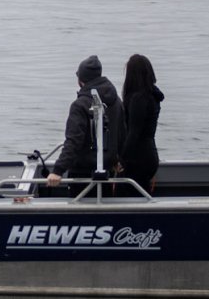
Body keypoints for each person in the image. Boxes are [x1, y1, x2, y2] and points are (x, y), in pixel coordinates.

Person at [46, 55, 123, 189]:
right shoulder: (116, 101)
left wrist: (58, 170)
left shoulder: (80, 105)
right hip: (108, 172)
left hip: (82, 174)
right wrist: (118, 159)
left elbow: (73, 141)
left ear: (81, 80)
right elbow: (122, 133)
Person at [119, 53, 164, 194]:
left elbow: (134, 133)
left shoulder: (138, 99)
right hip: (149, 154)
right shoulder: (152, 95)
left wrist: (121, 159)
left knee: (127, 195)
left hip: (137, 158)